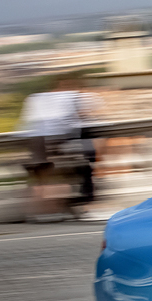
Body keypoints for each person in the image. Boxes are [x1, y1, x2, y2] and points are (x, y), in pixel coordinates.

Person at [18, 74, 101, 221]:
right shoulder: (66, 101)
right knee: (78, 171)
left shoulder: (38, 100)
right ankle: (70, 205)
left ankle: (43, 211)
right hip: (54, 149)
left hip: (45, 148)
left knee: (45, 176)